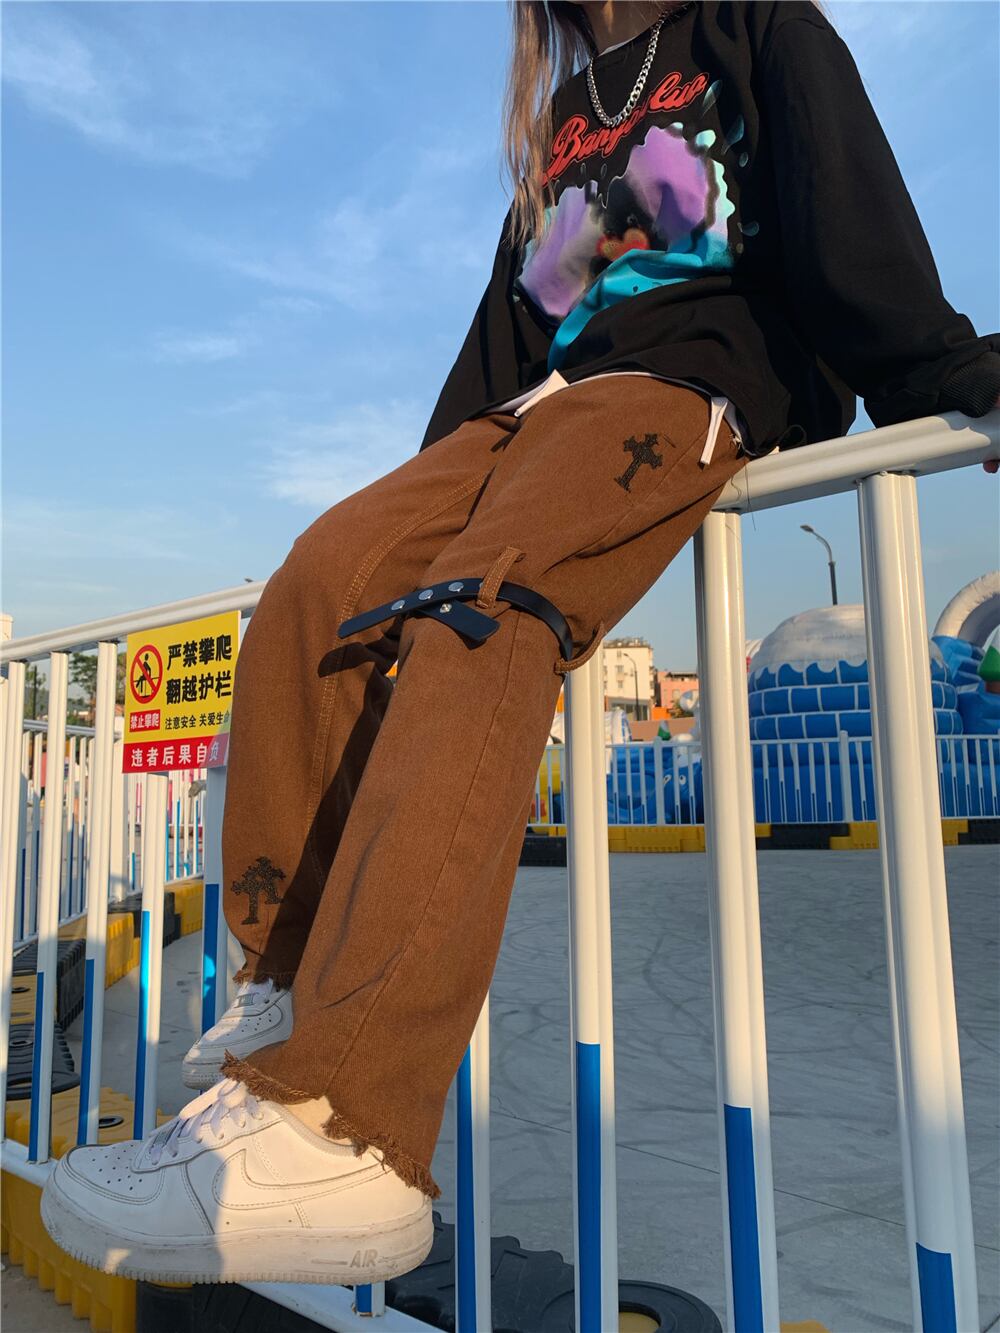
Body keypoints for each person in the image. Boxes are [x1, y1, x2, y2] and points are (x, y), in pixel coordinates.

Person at [41, 0, 999, 1287]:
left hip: (685, 382)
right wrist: (419, 501)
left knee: (478, 608)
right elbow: (511, 327)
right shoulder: (563, 115)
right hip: (535, 409)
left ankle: (348, 1124)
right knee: (321, 584)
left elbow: (842, 204)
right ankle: (286, 989)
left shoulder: (747, 25)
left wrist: (939, 369)